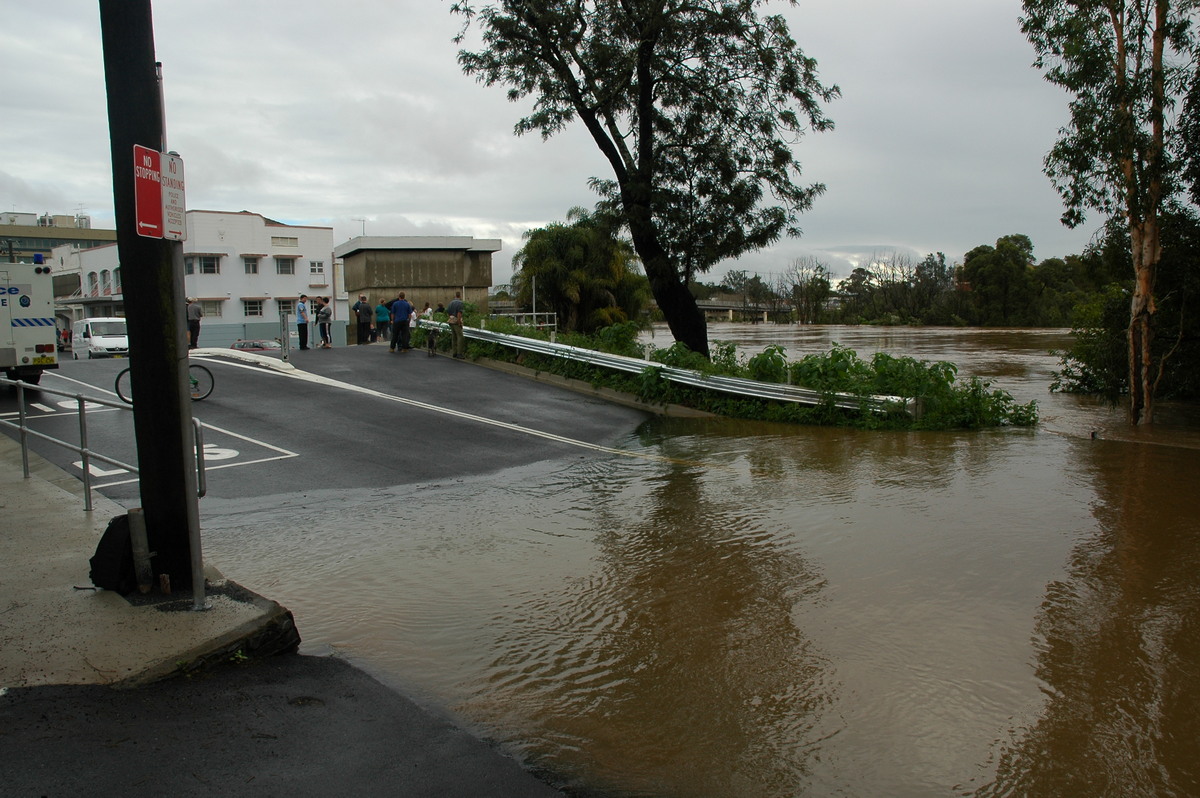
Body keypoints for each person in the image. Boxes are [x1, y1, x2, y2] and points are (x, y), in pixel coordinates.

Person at [446, 291, 466, 359]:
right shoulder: (460, 303)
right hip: (456, 321)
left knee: (454, 337)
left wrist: (450, 318)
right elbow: (459, 313)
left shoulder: (451, 302)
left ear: (455, 296)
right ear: (460, 296)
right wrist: (459, 322)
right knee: (460, 337)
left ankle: (454, 352)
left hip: (451, 320)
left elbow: (448, 312)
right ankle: (459, 353)